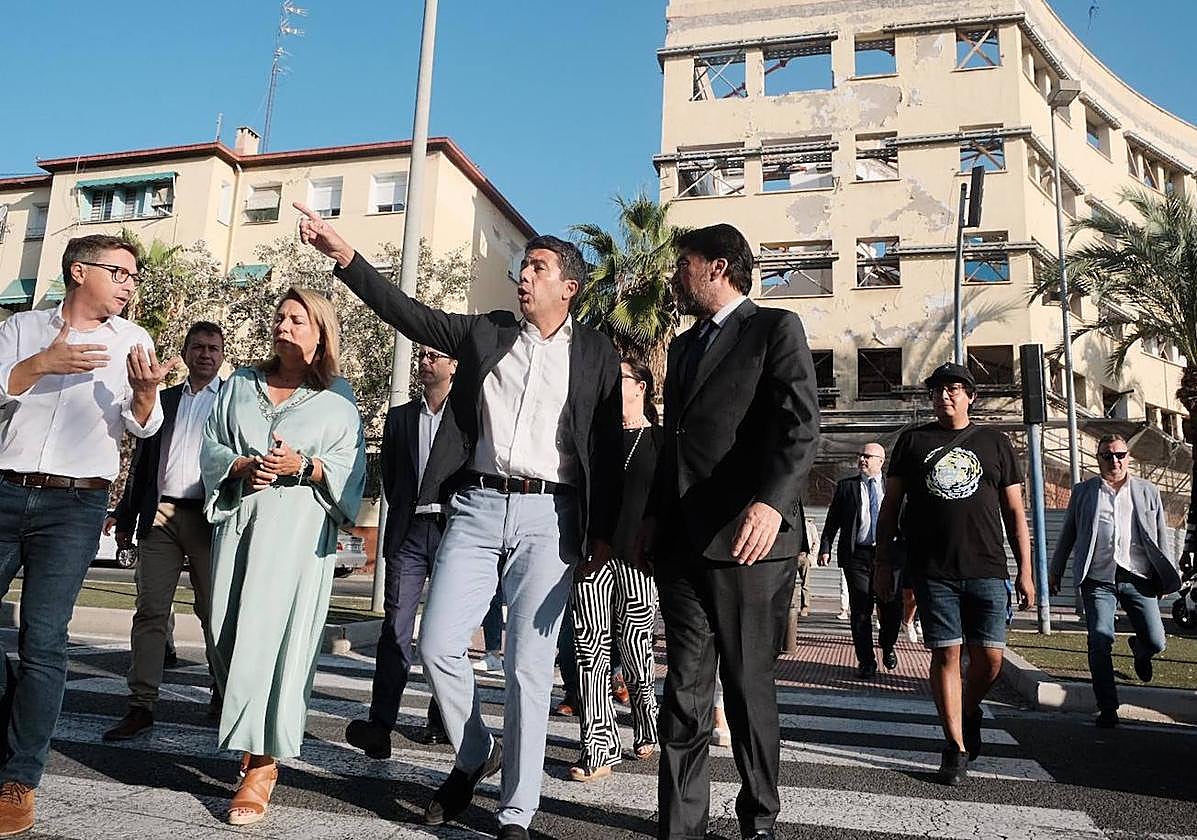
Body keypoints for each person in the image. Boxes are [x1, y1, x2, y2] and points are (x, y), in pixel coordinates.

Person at [295, 202, 622, 840]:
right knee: (438, 641)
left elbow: (605, 448)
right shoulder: (487, 333)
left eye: (538, 268)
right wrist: (345, 257)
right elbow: (409, 315)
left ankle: (517, 809)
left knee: (529, 665)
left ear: (569, 287)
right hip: (474, 507)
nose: (523, 276)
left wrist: (601, 534)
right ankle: (476, 751)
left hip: (551, 514)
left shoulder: (596, 354)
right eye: (523, 266)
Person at [637, 223, 819, 840]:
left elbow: (801, 428)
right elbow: (676, 445)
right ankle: (680, 827)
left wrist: (771, 503)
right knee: (684, 688)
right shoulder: (683, 348)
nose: (674, 276)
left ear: (717, 267)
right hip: (686, 546)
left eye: (682, 263)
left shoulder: (774, 328)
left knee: (744, 683)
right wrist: (650, 527)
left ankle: (759, 817)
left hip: (750, 540)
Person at [0, 234, 172, 835]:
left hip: (75, 505)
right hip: (5, 487)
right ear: (79, 272)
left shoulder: (133, 341)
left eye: (134, 275)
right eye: (119, 272)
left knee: (44, 639)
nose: (130, 284)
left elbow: (141, 426)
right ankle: (10, 725)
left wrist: (147, 394)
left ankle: (19, 778)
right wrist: (40, 364)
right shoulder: (21, 328)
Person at [200, 288, 365, 825]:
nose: (284, 325)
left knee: (280, 642)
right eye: (280, 317)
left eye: (297, 319)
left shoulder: (338, 399)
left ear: (320, 331)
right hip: (240, 526)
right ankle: (251, 740)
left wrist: (306, 465)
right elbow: (212, 445)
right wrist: (241, 466)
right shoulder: (239, 384)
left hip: (296, 538)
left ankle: (262, 762)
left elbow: (348, 472)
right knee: (224, 633)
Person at [874, 362, 1034, 786]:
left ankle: (968, 707)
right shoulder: (912, 441)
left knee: (990, 659)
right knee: (945, 653)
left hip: (987, 567)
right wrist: (884, 562)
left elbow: (1015, 512)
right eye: (938, 391)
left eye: (954, 389)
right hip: (932, 570)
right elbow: (890, 509)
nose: (945, 396)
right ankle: (955, 747)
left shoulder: (996, 442)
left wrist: (1026, 572)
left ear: (971, 396)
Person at [102, 321, 226, 741]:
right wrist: (126, 512)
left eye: (213, 347)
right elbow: (141, 461)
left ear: (222, 354)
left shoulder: (233, 400)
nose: (205, 354)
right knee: (151, 610)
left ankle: (225, 694)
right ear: (186, 353)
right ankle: (141, 705)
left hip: (212, 521)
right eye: (198, 347)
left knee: (216, 613)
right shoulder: (164, 399)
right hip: (160, 517)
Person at [345, 345, 457, 758]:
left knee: (446, 632)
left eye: (434, 355)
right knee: (396, 628)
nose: (425, 361)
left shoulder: (467, 415)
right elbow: (392, 478)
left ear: (453, 365)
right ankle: (381, 724)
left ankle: (442, 718)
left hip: (453, 534)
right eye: (422, 355)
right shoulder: (401, 418)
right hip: (409, 533)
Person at [568, 357, 662, 782]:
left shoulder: (659, 441)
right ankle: (599, 746)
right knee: (590, 652)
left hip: (638, 561)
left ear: (640, 386)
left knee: (636, 653)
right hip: (593, 556)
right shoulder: (595, 440)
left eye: (619, 379)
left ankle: (646, 723)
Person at [1049, 434, 1180, 728]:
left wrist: (1162, 577)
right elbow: (1068, 533)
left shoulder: (1147, 491)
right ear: (1098, 460)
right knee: (1099, 640)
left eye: (1120, 455)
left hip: (1138, 576)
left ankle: (1141, 648)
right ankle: (1107, 707)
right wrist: (1055, 570)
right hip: (1098, 578)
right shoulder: (1084, 492)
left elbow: (1160, 537)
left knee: (1158, 641)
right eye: (1107, 456)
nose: (1115, 461)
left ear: (1129, 457)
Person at [819, 444, 902, 678]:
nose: (862, 460)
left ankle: (888, 645)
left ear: (881, 461)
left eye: (868, 456)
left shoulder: (894, 487)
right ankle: (866, 661)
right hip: (857, 556)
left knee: (892, 608)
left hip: (888, 556)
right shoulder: (847, 487)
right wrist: (825, 547)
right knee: (861, 609)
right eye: (861, 456)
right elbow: (832, 519)